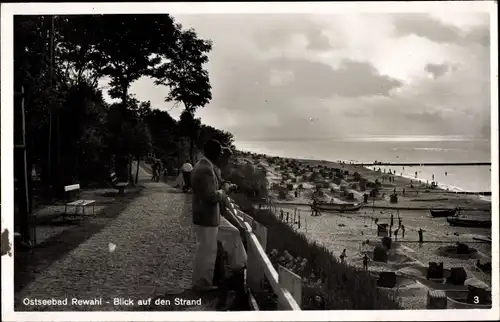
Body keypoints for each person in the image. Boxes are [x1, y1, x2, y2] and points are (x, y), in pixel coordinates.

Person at [190, 139, 227, 291]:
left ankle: (200, 282)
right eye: (219, 152)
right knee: (207, 251)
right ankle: (202, 284)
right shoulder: (206, 169)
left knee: (204, 250)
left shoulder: (201, 165)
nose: (220, 156)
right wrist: (224, 192)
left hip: (202, 214)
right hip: (206, 216)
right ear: (214, 153)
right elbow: (211, 196)